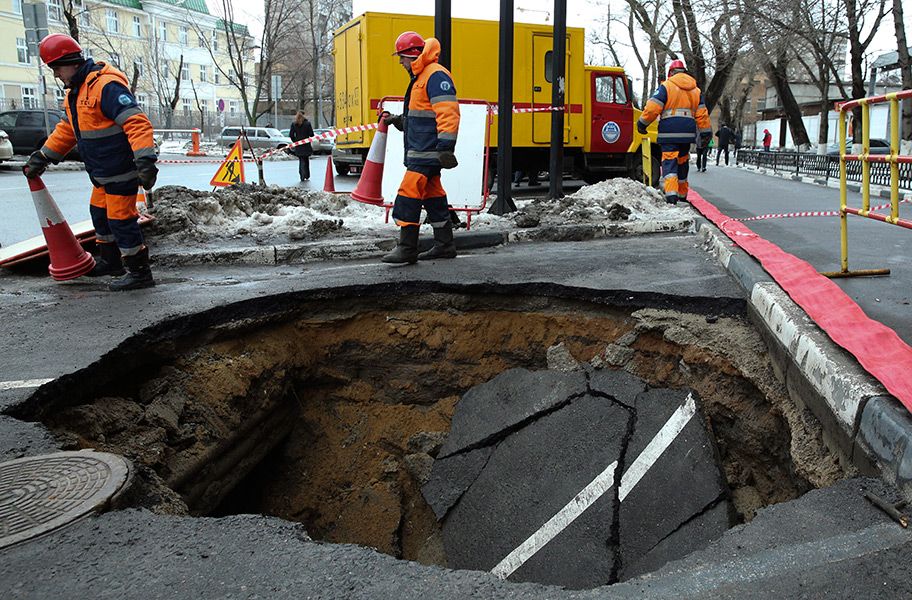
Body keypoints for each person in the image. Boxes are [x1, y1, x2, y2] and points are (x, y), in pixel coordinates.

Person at [26, 33, 157, 291]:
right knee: (99, 215)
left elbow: (137, 122)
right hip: (102, 173)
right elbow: (68, 130)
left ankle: (140, 273)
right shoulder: (77, 92)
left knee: (121, 220)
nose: (56, 75)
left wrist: (145, 160)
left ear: (72, 62)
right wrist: (43, 156)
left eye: (57, 69)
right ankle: (111, 262)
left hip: (120, 170)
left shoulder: (105, 86)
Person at [381, 31, 460, 263]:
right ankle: (445, 245)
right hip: (424, 150)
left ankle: (407, 247)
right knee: (434, 196)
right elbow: (420, 116)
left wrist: (446, 146)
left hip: (427, 151)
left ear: (413, 54)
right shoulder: (422, 76)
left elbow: (448, 112)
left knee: (408, 193)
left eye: (402, 57)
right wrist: (398, 120)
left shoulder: (434, 75)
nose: (400, 62)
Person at [636, 59, 711, 204]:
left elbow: (653, 107)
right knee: (683, 162)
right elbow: (702, 114)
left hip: (669, 132)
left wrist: (642, 124)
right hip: (687, 134)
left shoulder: (666, 87)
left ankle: (671, 195)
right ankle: (682, 194)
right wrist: (706, 133)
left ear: (671, 73)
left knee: (669, 162)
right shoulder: (695, 90)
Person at [288, 111, 315, 181]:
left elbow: (291, 135)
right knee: (306, 160)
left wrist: (295, 141)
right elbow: (311, 134)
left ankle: (302, 175)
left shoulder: (294, 124)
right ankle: (307, 175)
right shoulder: (307, 124)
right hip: (306, 145)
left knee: (301, 160)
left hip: (298, 145)